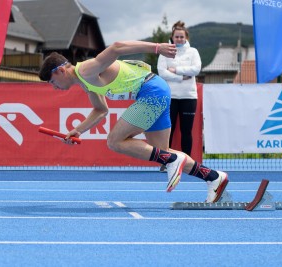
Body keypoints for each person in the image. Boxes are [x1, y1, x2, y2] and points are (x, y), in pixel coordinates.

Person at [38, 40, 228, 203]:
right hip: (157, 91)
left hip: (151, 92)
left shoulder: (86, 70)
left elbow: (117, 47)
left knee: (114, 141)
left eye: (52, 83)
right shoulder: (85, 81)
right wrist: (78, 130)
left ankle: (173, 160)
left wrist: (156, 47)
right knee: (163, 153)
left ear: (61, 70)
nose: (55, 88)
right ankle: (213, 177)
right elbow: (101, 110)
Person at [157, 21, 201, 172]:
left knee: (186, 131)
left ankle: (187, 164)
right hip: (170, 96)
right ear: (172, 37)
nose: (179, 39)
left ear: (186, 37)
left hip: (189, 97)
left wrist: (175, 70)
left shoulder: (193, 52)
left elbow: (196, 69)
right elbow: (162, 72)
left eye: (182, 37)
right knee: (168, 130)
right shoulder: (166, 51)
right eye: (177, 37)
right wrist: (181, 77)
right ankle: (167, 162)